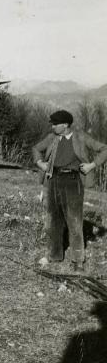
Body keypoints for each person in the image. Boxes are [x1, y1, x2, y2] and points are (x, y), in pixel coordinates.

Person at [32, 110, 107, 272]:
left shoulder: (81, 137)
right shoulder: (52, 138)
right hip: (53, 181)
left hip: (73, 183)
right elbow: (36, 149)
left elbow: (104, 149)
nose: (52, 127)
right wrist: (40, 163)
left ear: (65, 125)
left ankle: (77, 260)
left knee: (74, 222)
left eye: (55, 124)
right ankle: (54, 255)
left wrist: (91, 165)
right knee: (53, 221)